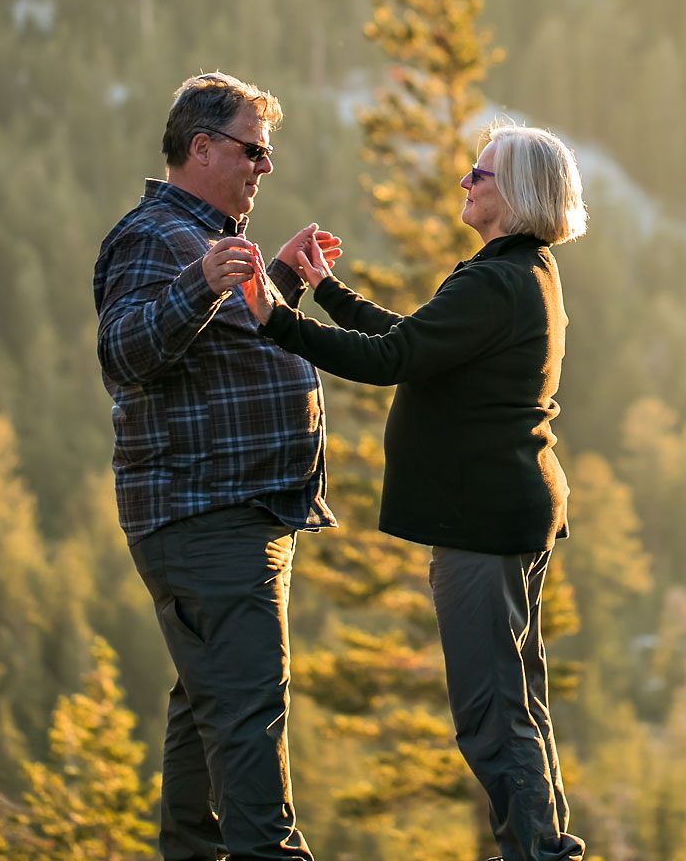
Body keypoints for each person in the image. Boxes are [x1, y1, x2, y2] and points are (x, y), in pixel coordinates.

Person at [239, 123, 589, 861]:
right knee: (517, 704)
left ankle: (537, 853)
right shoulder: (522, 275)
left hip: (483, 524)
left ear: (517, 193)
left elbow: (392, 358)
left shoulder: (496, 280)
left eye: (479, 175)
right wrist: (329, 291)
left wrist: (277, 319)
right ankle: (543, 846)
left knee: (492, 715)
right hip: (511, 513)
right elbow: (420, 343)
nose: (465, 182)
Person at [93, 71, 343, 860]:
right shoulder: (154, 236)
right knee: (246, 725)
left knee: (208, 722)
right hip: (207, 521)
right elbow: (124, 354)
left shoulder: (206, 243)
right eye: (253, 151)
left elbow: (232, 357)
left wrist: (286, 289)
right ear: (201, 148)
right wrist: (202, 283)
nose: (263, 167)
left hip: (231, 519)